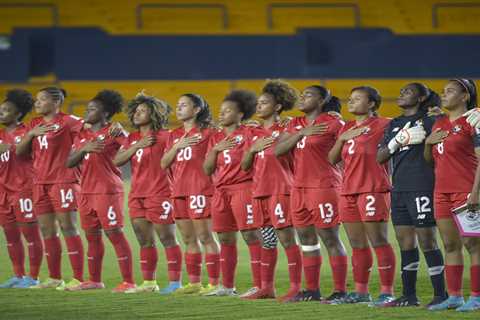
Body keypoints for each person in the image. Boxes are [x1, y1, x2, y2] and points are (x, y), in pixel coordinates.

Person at [275, 85, 348, 302]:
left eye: (308, 95)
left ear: (321, 100)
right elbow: (278, 151)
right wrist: (300, 133)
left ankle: (340, 290)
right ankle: (312, 289)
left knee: (330, 238)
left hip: (324, 186)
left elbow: (344, 154)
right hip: (299, 188)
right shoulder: (295, 124)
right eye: (302, 94)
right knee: (306, 238)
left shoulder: (335, 123)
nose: (302, 97)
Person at [376, 83, 447, 307]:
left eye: (408, 91)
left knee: (427, 240)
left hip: (422, 186)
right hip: (398, 189)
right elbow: (380, 157)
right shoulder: (394, 124)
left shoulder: (431, 120)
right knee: (405, 242)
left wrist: (439, 117)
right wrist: (397, 141)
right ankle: (409, 295)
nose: (401, 93)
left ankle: (440, 294)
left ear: (421, 98)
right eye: (401, 90)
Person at [328, 86, 396, 306]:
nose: (351, 102)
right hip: (348, 191)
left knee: (379, 240)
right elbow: (331, 159)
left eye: (358, 99)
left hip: (373, 188)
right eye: (350, 98)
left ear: (372, 104)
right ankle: (361, 292)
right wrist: (342, 138)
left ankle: (387, 291)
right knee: (357, 244)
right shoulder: (346, 127)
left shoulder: (385, 124)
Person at [65, 90, 135, 292]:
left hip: (108, 190)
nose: (88, 111)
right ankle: (94, 280)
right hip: (86, 191)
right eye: (88, 108)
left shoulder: (114, 132)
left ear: (106, 113)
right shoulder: (82, 135)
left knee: (115, 233)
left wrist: (123, 133)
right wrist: (84, 149)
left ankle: (128, 282)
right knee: (92, 236)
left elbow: (130, 147)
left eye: (93, 109)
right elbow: (69, 162)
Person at [113, 92, 183, 294]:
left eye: (143, 111)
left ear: (153, 114)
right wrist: (137, 146)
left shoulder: (166, 136)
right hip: (137, 195)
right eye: (136, 110)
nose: (137, 113)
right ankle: (149, 283)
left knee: (167, 239)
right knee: (144, 240)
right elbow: (117, 161)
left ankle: (175, 282)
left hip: (160, 193)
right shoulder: (133, 138)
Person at [16, 87, 85, 290]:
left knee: (68, 227)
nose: (37, 103)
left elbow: (89, 130)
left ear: (56, 103)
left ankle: (78, 279)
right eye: (37, 100)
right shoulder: (35, 124)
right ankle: (55, 277)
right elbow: (20, 153)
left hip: (63, 180)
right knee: (47, 230)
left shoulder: (69, 121)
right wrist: (30, 134)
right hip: (39, 183)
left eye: (42, 99)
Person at [240, 80, 302, 300]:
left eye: (264, 103)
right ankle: (267, 287)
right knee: (267, 240)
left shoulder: (287, 128)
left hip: (281, 190)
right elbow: (245, 166)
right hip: (259, 192)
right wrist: (252, 150)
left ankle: (296, 287)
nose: (259, 106)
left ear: (277, 107)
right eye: (258, 102)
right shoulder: (252, 132)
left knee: (287, 239)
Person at [424, 79, 480, 312]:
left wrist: (475, 193)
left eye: (450, 91)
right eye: (443, 91)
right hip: (441, 192)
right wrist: (428, 143)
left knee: (473, 245)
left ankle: (476, 297)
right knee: (449, 244)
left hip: (466, 190)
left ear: (464, 96)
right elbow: (430, 161)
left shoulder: (473, 120)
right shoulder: (439, 123)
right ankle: (455, 296)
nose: (443, 95)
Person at [202, 90, 264, 297]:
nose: (222, 114)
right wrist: (215, 150)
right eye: (221, 110)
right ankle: (227, 286)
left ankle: (259, 285)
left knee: (251, 235)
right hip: (220, 191)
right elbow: (207, 170)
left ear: (241, 114)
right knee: (225, 238)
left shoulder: (249, 133)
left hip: (243, 189)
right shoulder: (216, 138)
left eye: (228, 111)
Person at [160, 93, 220, 295]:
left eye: (183, 105)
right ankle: (194, 283)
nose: (178, 108)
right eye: (177, 104)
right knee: (188, 239)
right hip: (178, 191)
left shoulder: (208, 133)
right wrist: (177, 146)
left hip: (200, 189)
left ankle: (213, 283)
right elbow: (164, 163)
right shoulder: (174, 135)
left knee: (205, 236)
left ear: (196, 110)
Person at [0, 89, 43, 288]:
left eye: (6, 110)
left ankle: (33, 278)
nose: (1, 113)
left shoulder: (28, 132)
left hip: (23, 189)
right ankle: (18, 274)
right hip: (3, 191)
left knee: (31, 235)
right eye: (1, 109)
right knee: (10, 235)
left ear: (18, 113)